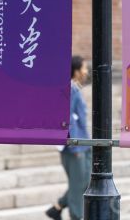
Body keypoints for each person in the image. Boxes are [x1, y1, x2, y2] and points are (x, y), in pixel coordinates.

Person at [47, 56, 91, 220]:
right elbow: (67, 119)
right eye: (84, 68)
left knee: (85, 182)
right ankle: (76, 216)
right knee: (78, 185)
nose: (87, 71)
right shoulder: (70, 89)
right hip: (75, 145)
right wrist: (74, 145)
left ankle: (57, 207)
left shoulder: (75, 88)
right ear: (76, 70)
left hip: (85, 143)